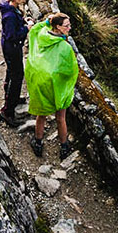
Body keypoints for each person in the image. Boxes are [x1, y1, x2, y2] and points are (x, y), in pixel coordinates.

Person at [25, 12, 78, 158]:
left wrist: (46, 23)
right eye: (66, 26)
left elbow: (34, 29)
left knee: (41, 116)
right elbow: (71, 71)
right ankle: (64, 146)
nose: (69, 28)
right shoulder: (64, 47)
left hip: (40, 81)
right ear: (58, 27)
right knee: (60, 117)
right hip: (55, 87)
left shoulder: (42, 34)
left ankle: (38, 142)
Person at [0, 0, 29, 127]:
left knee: (12, 72)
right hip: (12, 48)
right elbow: (12, 36)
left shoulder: (12, 9)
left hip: (12, 48)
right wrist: (26, 28)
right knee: (17, 76)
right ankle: (8, 111)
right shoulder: (9, 15)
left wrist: (24, 22)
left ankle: (12, 98)